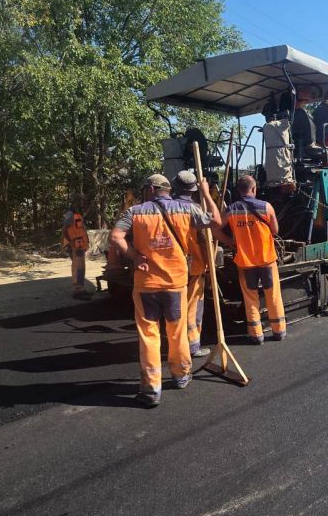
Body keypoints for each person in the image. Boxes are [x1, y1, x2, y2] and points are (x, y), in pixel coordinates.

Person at [109, 173, 221, 408]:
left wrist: (134, 256)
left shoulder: (135, 212)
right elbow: (216, 223)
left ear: (150, 189)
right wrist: (206, 193)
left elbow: (116, 237)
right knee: (177, 332)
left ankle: (151, 390)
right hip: (175, 283)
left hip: (146, 284)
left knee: (149, 336)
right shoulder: (186, 209)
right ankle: (181, 376)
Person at [220, 175, 286, 344]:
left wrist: (229, 241)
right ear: (254, 189)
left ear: (238, 191)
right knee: (273, 296)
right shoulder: (266, 206)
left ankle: (256, 335)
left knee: (250, 298)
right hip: (266, 260)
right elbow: (276, 230)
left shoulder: (232, 209)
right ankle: (278, 331)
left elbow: (216, 226)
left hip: (245, 262)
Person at [171, 169, 210, 359]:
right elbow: (208, 231)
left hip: (170, 268)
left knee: (175, 308)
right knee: (192, 307)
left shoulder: (162, 208)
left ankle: (176, 343)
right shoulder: (194, 209)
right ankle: (193, 346)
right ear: (194, 189)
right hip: (193, 266)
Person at [62, 197, 92, 300]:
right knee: (78, 267)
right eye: (79, 203)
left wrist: (86, 242)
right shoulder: (70, 214)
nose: (81, 205)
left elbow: (81, 230)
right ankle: (77, 290)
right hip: (74, 245)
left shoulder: (77, 215)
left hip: (79, 245)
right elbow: (64, 230)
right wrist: (68, 242)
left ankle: (81, 288)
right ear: (75, 204)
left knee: (81, 267)